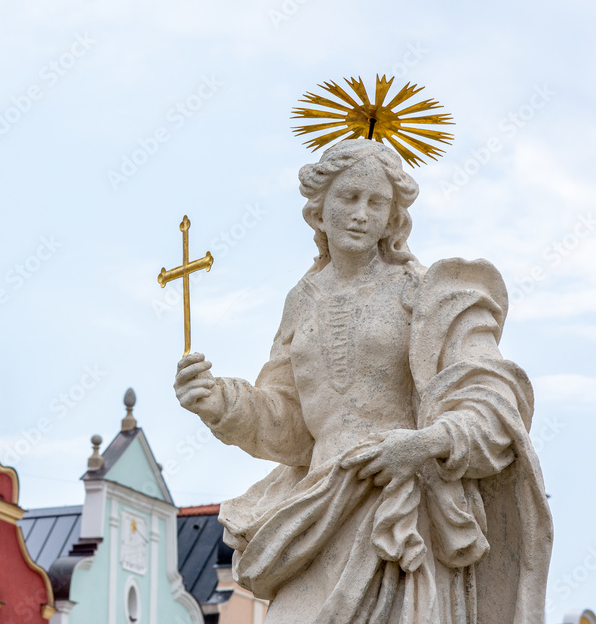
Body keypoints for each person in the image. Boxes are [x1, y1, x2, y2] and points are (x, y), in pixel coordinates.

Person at [174, 138, 552, 623]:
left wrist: (421, 444)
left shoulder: (423, 291)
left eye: (377, 203)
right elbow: (292, 426)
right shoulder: (302, 299)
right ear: (319, 208)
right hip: (318, 509)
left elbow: (493, 404)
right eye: (348, 197)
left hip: (398, 511)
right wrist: (221, 402)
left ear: (394, 216)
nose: (361, 214)